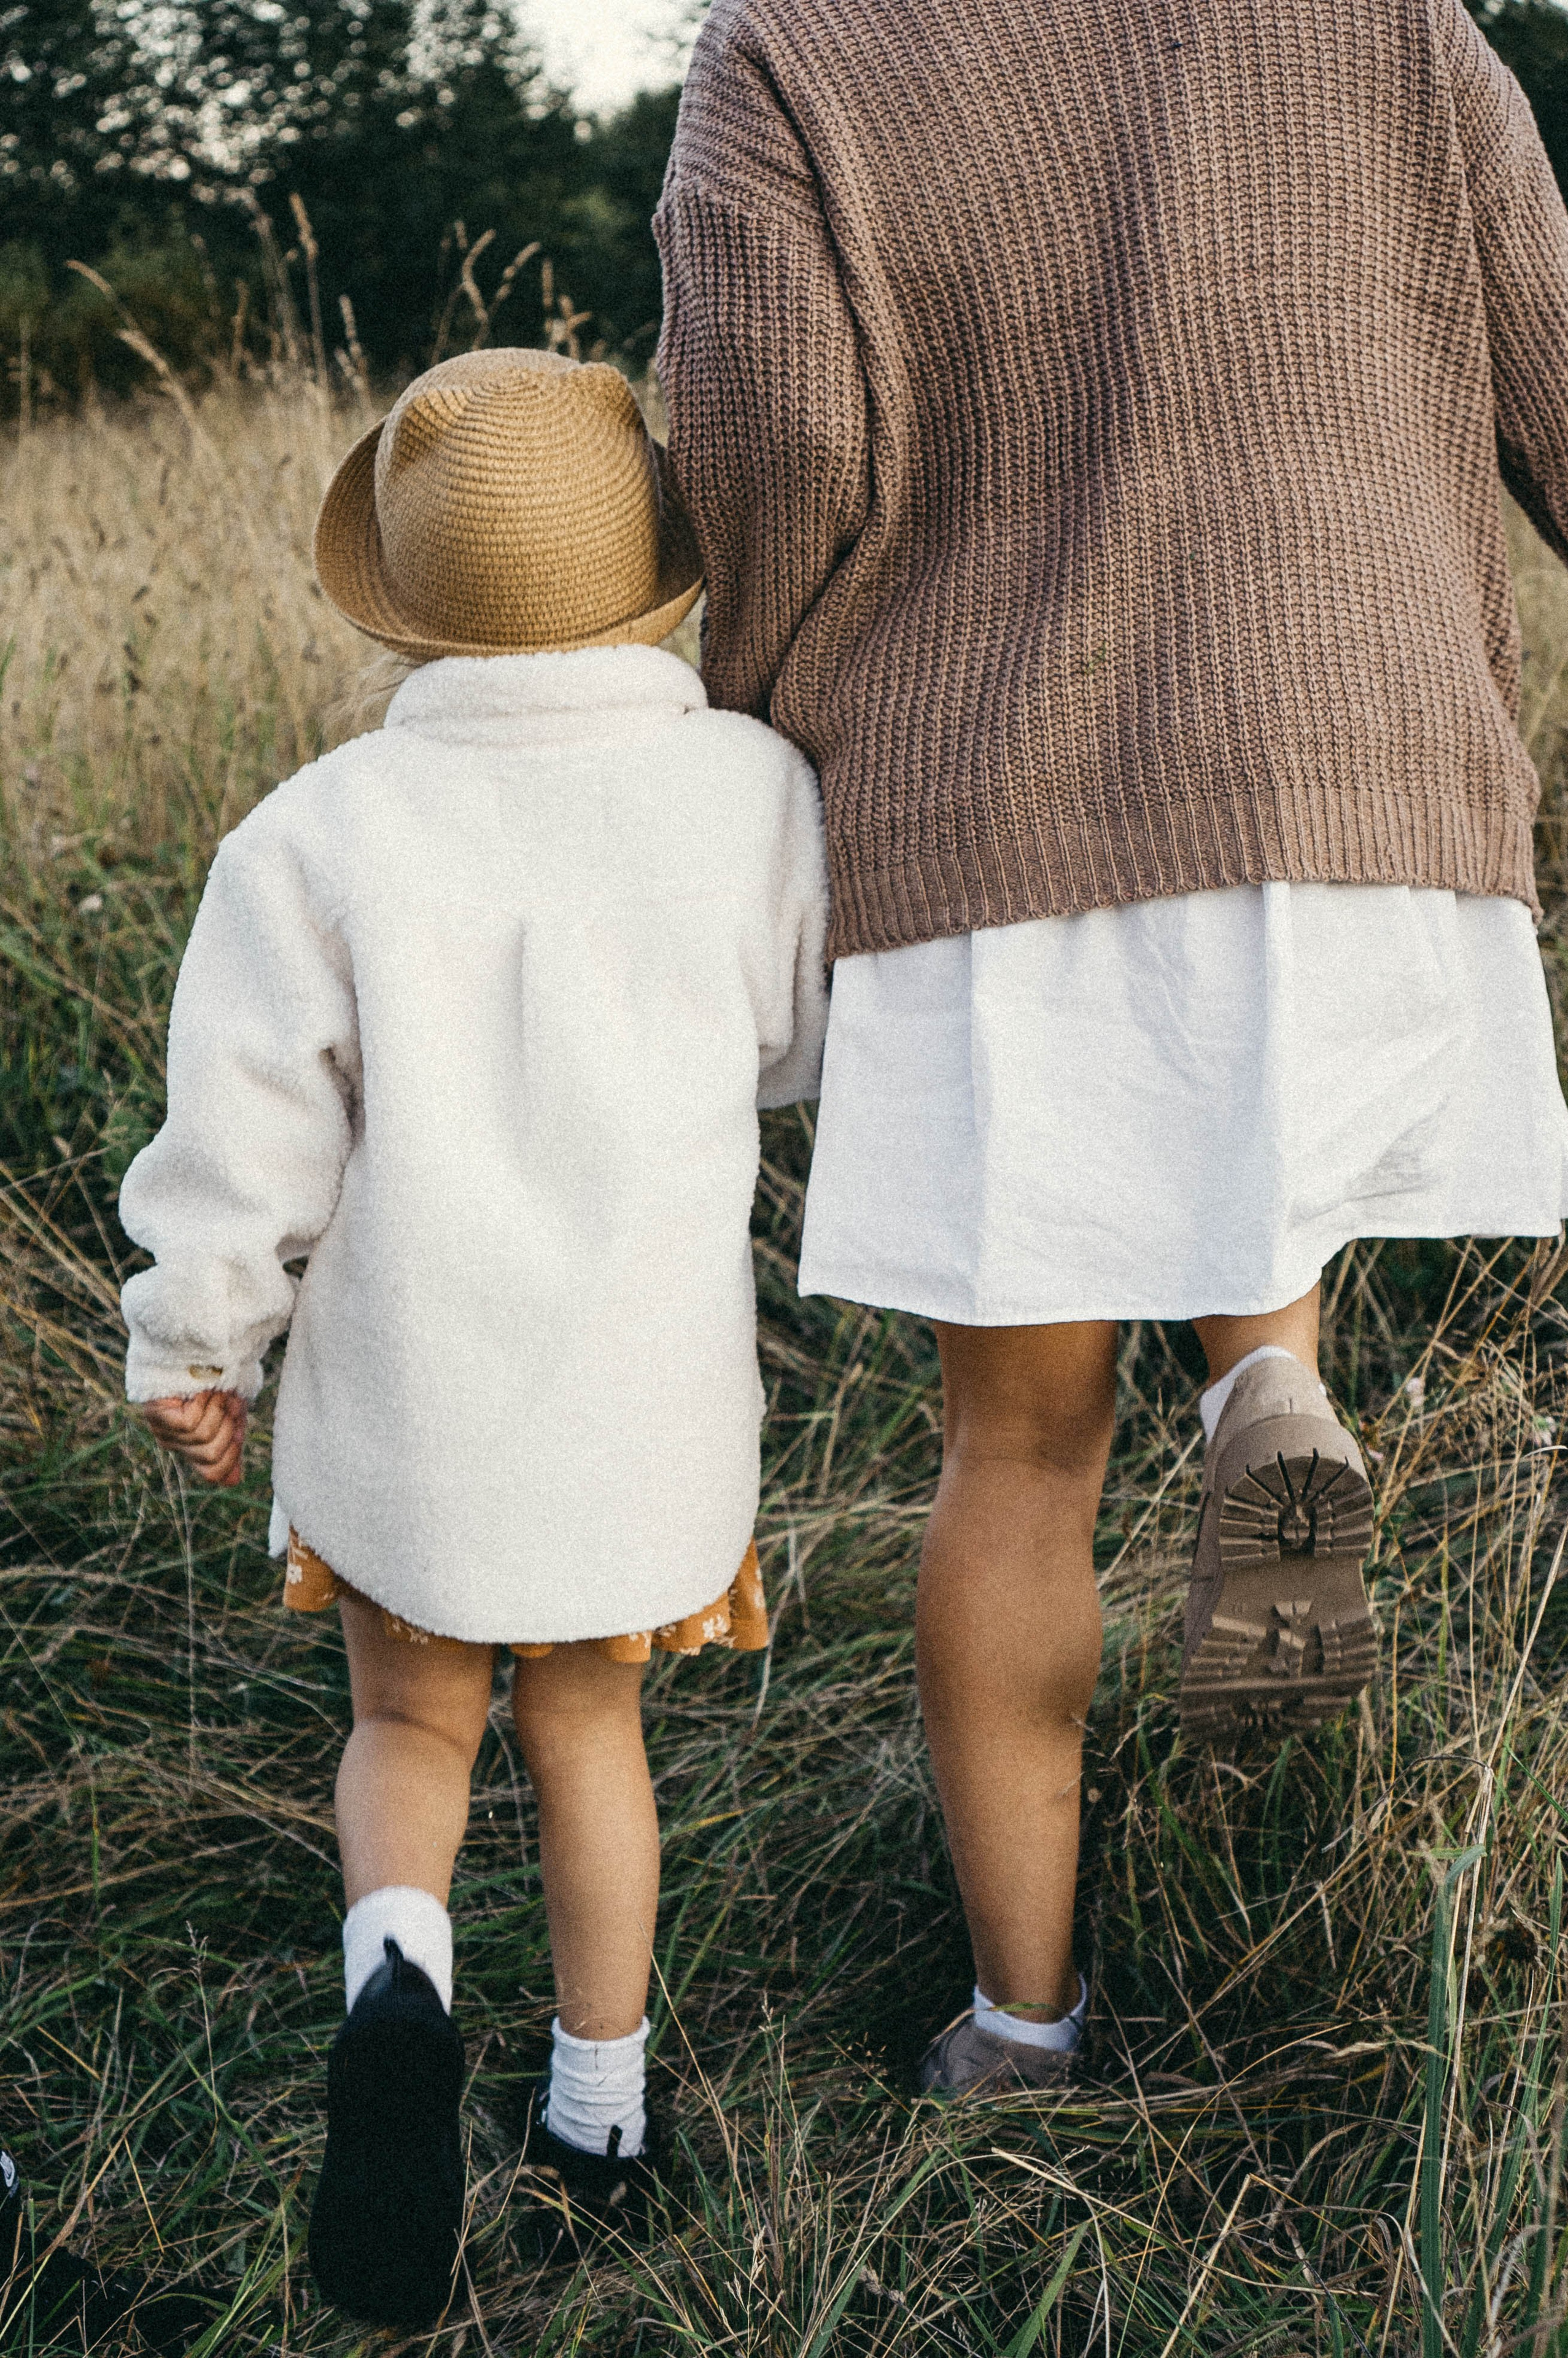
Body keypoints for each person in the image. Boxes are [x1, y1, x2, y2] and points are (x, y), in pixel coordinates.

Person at [654, 0, 1568, 2095]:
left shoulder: (793, 52)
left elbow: (778, 446)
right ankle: (1265, 1383)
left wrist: (776, 711)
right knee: (1254, 1173)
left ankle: (1026, 2025)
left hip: (1009, 800)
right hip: (1360, 772)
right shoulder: (1393, 23)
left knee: (1022, 1452)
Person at [118, 348, 828, 2328]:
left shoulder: (321, 831)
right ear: (661, 576)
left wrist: (199, 1343)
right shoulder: (752, 792)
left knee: (408, 1722)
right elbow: (794, 1043)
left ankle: (401, 1976)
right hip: (639, 1404)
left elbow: (245, 1123)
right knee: (586, 1728)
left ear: (404, 597)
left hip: (410, 1403)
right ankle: (599, 2116)